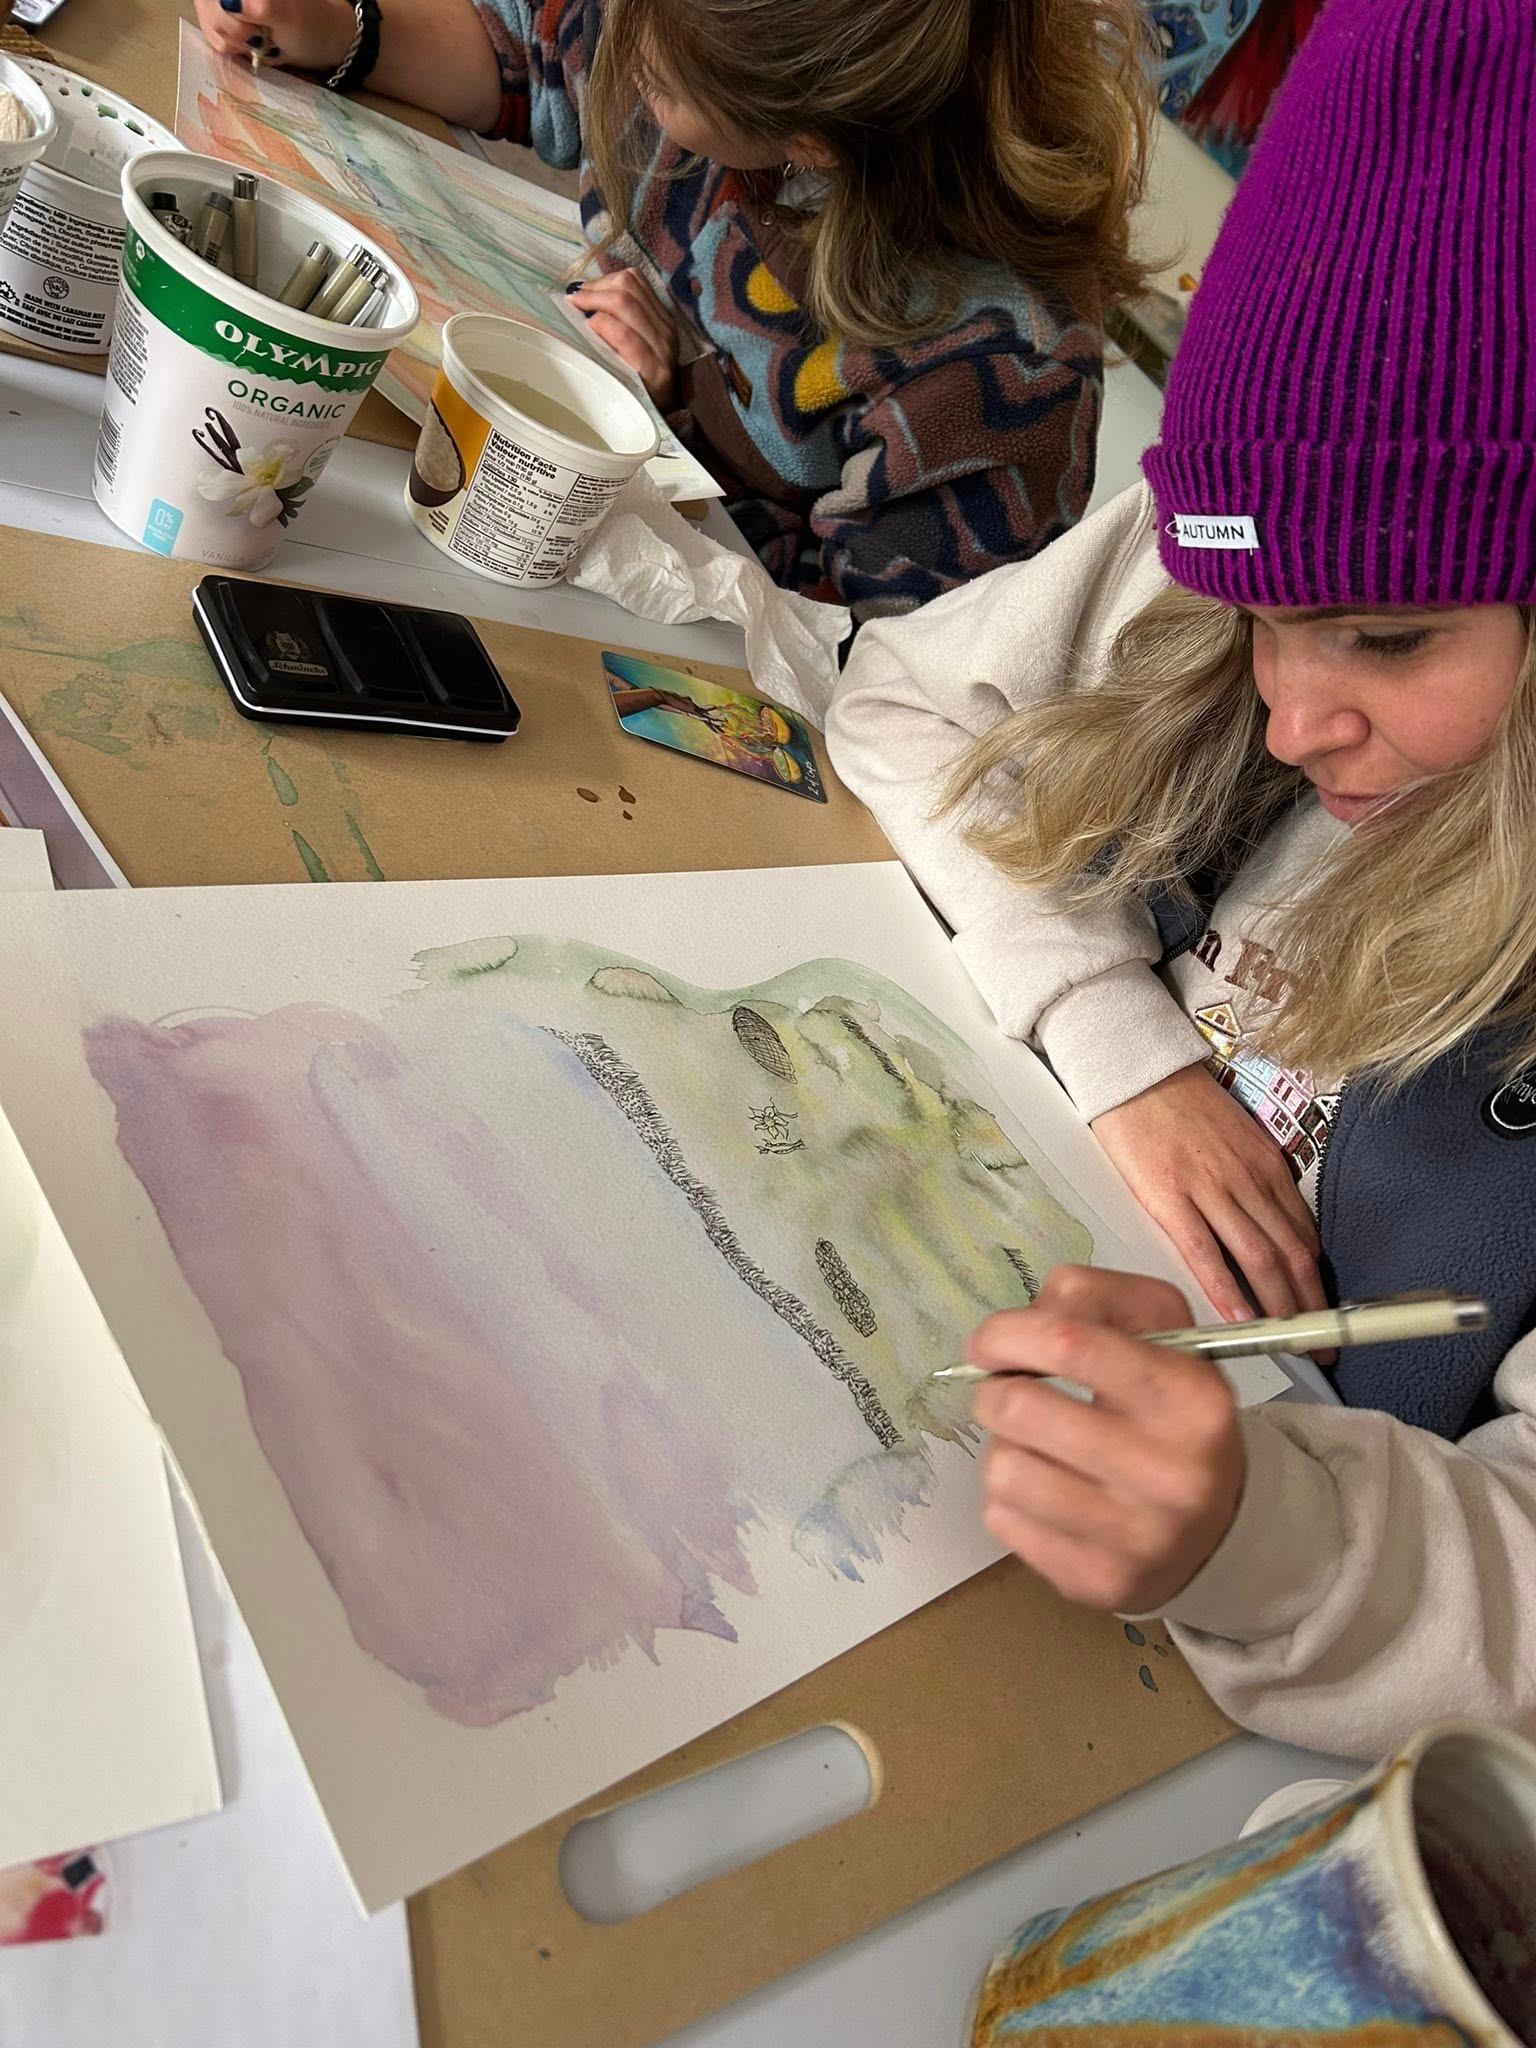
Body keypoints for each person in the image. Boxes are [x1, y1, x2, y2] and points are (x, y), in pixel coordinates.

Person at [826, 0, 1536, 1751]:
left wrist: (1262, 1533)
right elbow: (901, 695)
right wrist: (1113, 1035)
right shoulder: (1235, 543)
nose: (1295, 716)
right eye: (1260, 624)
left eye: (1382, 637)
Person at [192, 0, 1154, 621]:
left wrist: (670, 419)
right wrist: (342, 28)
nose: (621, 65)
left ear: (809, 146)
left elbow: (881, 673)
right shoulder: (684, 26)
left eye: (651, 82)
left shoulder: (992, 372)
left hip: (699, 634)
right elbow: (534, 64)